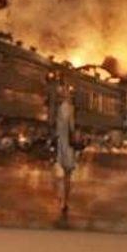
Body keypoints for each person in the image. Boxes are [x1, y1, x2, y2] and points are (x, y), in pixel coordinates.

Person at [52, 78, 78, 221]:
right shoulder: (69, 108)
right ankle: (64, 201)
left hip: (62, 142)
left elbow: (60, 128)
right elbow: (71, 128)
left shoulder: (61, 108)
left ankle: (63, 200)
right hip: (67, 144)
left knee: (64, 174)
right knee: (67, 174)